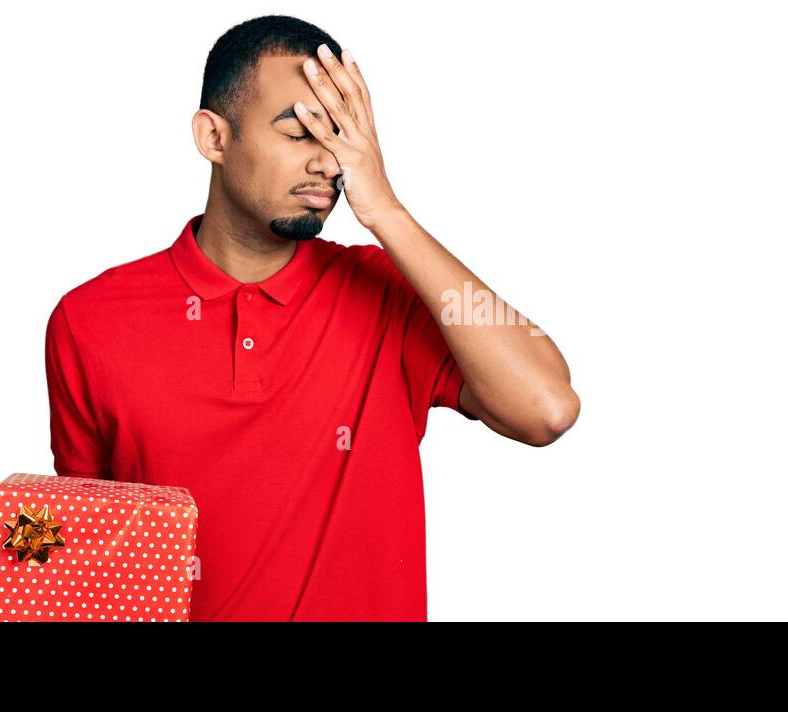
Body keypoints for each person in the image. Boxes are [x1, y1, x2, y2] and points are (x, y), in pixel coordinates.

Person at [44, 15, 579, 621]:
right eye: (300, 134)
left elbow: (547, 407)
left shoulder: (391, 292)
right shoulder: (89, 321)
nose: (328, 163)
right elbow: (85, 569)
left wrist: (387, 211)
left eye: (339, 138)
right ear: (214, 138)